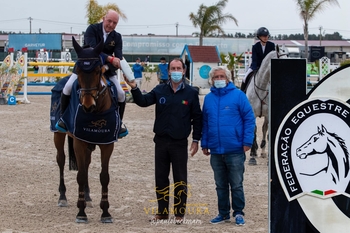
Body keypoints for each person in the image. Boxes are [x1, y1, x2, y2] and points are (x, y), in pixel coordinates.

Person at [125, 58, 202, 224]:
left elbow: (197, 118)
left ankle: (179, 213)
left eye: (178, 68)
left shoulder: (191, 93)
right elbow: (143, 101)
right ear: (168, 71)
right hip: (160, 141)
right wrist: (134, 88)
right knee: (161, 177)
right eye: (172, 68)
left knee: (180, 178)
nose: (175, 71)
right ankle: (162, 212)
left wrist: (196, 140)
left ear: (183, 71)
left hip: (180, 143)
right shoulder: (159, 90)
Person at [56, 10, 131, 138]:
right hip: (86, 68)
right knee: (68, 87)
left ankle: (119, 123)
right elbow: (92, 50)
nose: (111, 25)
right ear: (103, 18)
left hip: (106, 70)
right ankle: (63, 119)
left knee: (121, 93)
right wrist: (110, 58)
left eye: (115, 23)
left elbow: (118, 57)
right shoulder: (92, 29)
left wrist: (107, 66)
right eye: (109, 21)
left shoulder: (117, 37)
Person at [201, 66, 255, 226]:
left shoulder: (239, 96)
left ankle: (238, 212)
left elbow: (249, 118)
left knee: (237, 184)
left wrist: (247, 141)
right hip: (216, 150)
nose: (219, 79)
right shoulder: (208, 99)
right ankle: (223, 213)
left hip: (235, 149)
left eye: (221, 76)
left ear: (228, 78)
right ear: (212, 80)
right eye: (216, 77)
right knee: (220, 185)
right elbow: (205, 122)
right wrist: (205, 143)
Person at [241, 27, 275, 92]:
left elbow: (272, 58)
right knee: (245, 78)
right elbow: (254, 60)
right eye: (263, 36)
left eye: (267, 36)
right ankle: (243, 93)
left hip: (268, 68)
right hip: (256, 66)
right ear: (259, 37)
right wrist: (255, 69)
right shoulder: (255, 47)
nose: (266, 37)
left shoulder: (271, 45)